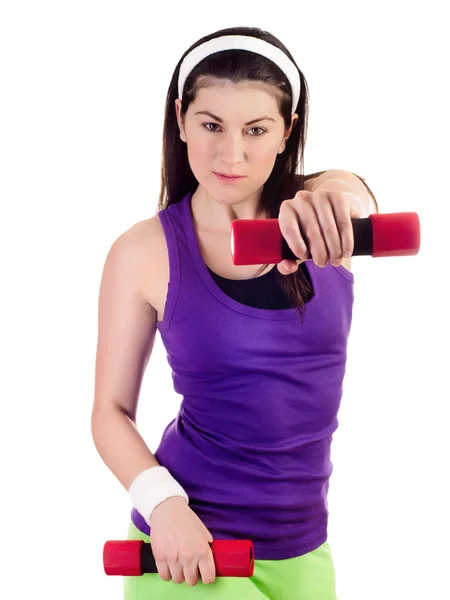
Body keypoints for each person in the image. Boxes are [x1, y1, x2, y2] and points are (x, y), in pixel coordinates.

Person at [91, 25, 378, 600]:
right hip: (189, 545)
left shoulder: (323, 216)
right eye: (211, 125)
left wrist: (342, 202)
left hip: (303, 545)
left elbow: (352, 195)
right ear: (180, 119)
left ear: (286, 131)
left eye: (256, 129)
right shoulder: (143, 250)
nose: (231, 154)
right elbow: (110, 413)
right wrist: (164, 505)